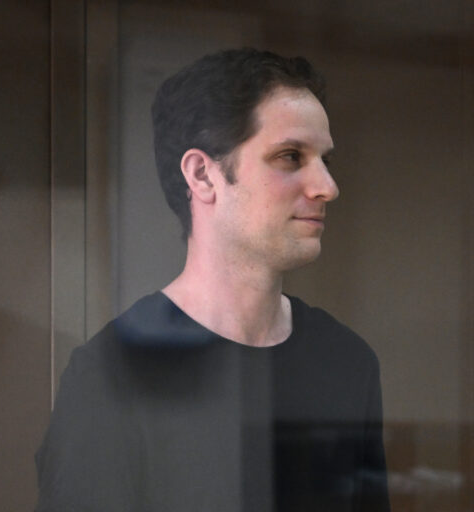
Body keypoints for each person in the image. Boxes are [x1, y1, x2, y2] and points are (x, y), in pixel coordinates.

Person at [35, 48, 390, 511]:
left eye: (325, 159)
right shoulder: (112, 375)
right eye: (290, 156)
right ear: (203, 175)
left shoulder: (346, 361)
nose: (326, 185)